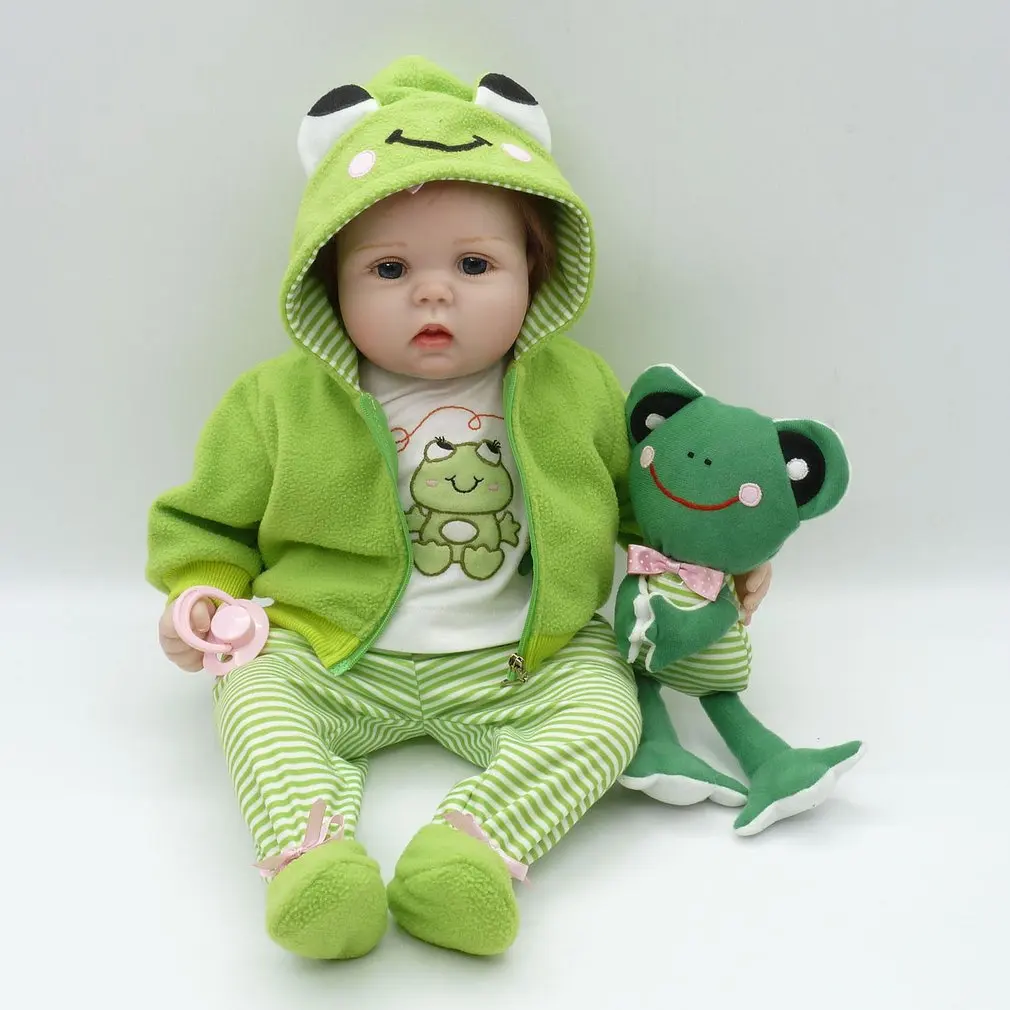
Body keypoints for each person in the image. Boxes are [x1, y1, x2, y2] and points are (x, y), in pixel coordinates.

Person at [147, 56, 771, 960]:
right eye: (389, 267)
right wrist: (200, 594)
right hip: (332, 649)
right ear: (329, 283)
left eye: (475, 264)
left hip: (517, 654)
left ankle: (467, 854)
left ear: (536, 274)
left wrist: (709, 559)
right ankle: (314, 866)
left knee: (607, 713)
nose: (432, 292)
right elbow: (208, 523)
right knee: (251, 692)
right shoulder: (275, 403)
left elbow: (640, 507)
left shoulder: (577, 388)